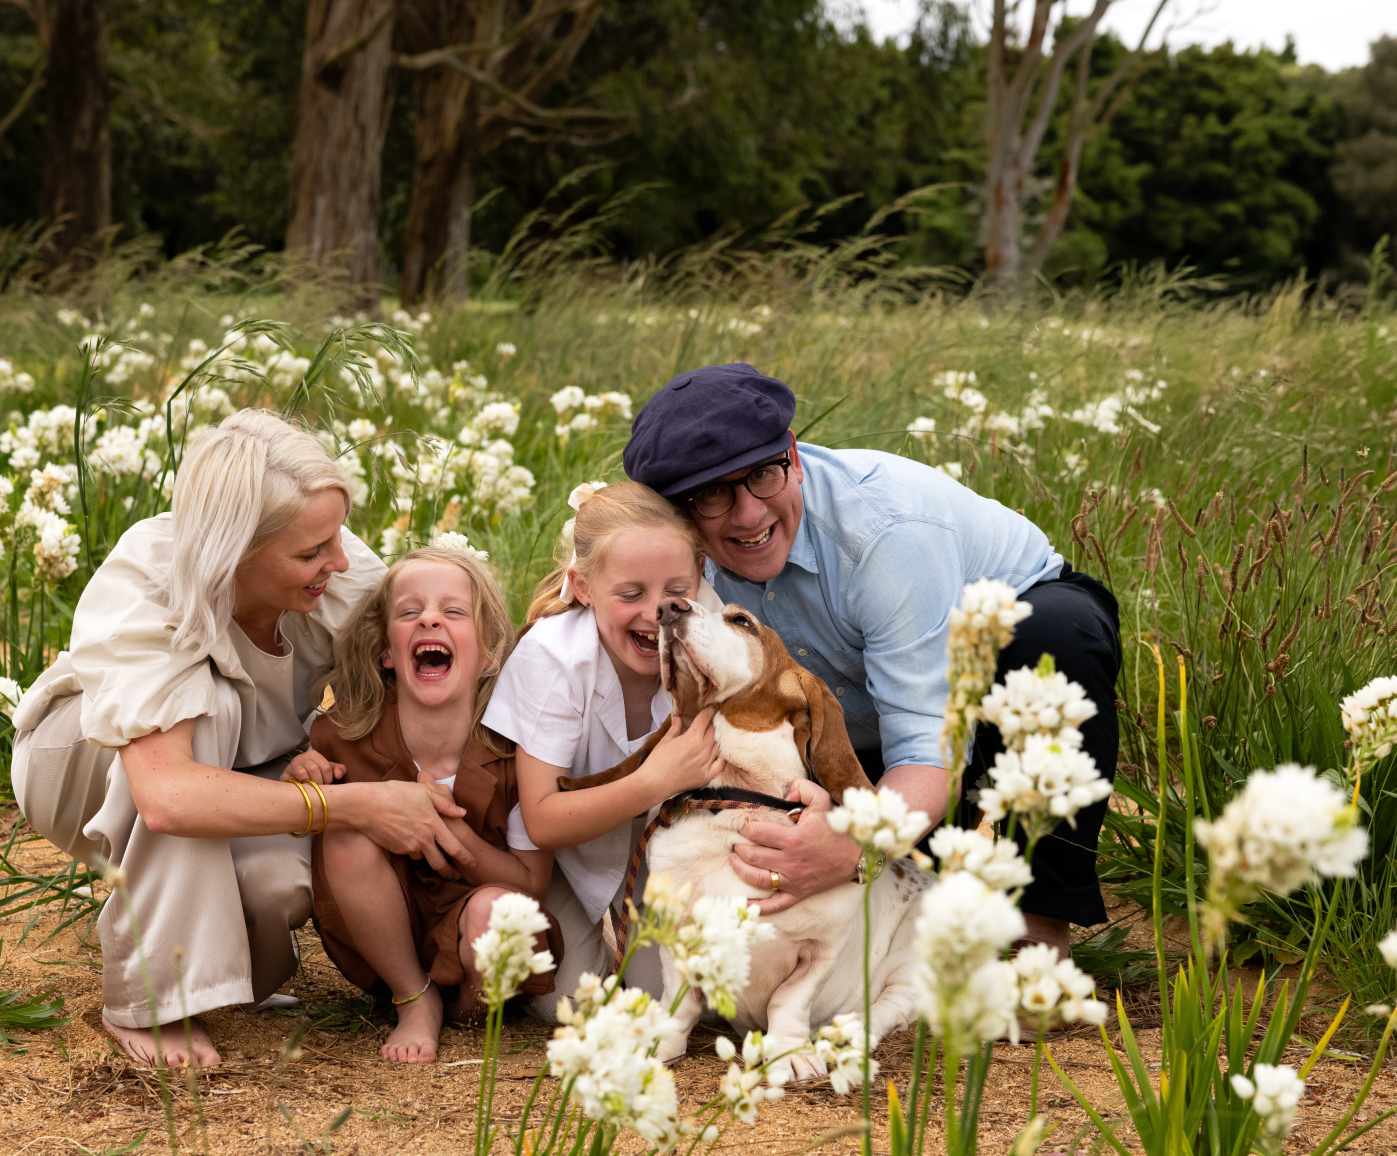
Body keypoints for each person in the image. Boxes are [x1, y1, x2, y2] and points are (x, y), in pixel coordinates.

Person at [11, 410, 477, 1067]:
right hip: (82, 767)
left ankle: (216, 974)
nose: (338, 561)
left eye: (336, 537)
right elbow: (169, 796)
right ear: (234, 549)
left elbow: (431, 670)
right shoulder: (151, 585)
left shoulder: (341, 573)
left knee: (281, 881)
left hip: (242, 765)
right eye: (312, 552)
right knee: (216, 706)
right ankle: (151, 1000)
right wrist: (362, 805)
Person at [621, 364, 1122, 958]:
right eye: (711, 495)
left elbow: (925, 743)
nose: (750, 514)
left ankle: (1038, 925)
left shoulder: (886, 532)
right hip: (853, 727)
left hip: (980, 677)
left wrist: (856, 845)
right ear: (677, 509)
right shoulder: (675, 562)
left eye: (762, 474)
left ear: (795, 458)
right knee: (906, 896)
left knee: (1053, 637)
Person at [300, 546, 560, 1063]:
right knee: (347, 826)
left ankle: (464, 1006)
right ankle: (414, 999)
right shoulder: (343, 734)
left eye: (454, 611)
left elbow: (531, 881)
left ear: (488, 654)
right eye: (410, 611)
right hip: (381, 934)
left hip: (472, 919)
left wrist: (456, 837)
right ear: (386, 652)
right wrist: (304, 775)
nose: (431, 619)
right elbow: (307, 802)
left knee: (501, 913)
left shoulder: (515, 750)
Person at [482, 482, 724, 1012]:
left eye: (675, 591)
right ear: (583, 586)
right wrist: (654, 782)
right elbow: (542, 819)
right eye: (630, 594)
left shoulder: (715, 639)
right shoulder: (554, 657)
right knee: (567, 1004)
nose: (657, 614)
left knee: (683, 996)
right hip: (562, 858)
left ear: (701, 577)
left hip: (665, 855)